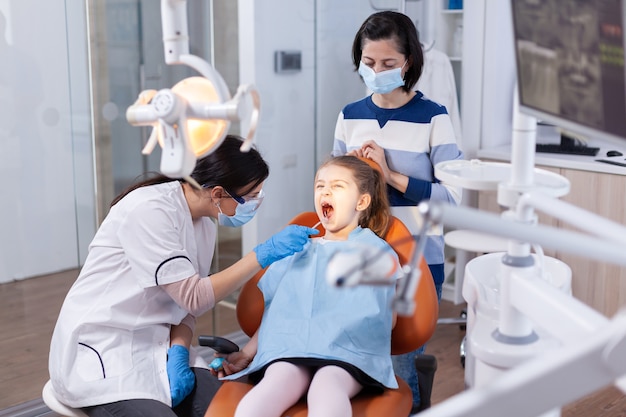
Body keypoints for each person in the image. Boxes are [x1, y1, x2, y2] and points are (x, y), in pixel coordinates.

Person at [48, 135, 319, 417]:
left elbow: (183, 308)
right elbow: (194, 297)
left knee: (232, 411)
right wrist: (262, 254)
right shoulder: (149, 210)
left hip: (158, 346)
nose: (255, 204)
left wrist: (178, 350)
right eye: (251, 197)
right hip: (105, 350)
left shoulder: (204, 223)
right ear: (217, 194)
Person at [332, 10, 464, 413]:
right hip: (362, 258)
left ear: (409, 62)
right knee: (360, 367)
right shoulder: (349, 116)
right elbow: (334, 198)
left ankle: (416, 398)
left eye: (388, 64)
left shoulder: (433, 117)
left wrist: (390, 175)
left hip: (418, 261)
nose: (377, 71)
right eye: (369, 63)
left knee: (399, 366)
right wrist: (357, 180)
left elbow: (452, 198)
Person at [214, 156, 402, 417]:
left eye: (337, 186)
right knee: (271, 387)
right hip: (290, 350)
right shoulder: (297, 248)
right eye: (319, 186)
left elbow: (387, 319)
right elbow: (277, 311)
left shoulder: (375, 252)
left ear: (362, 201)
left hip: (346, 356)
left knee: (326, 389)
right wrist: (246, 353)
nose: (325, 191)